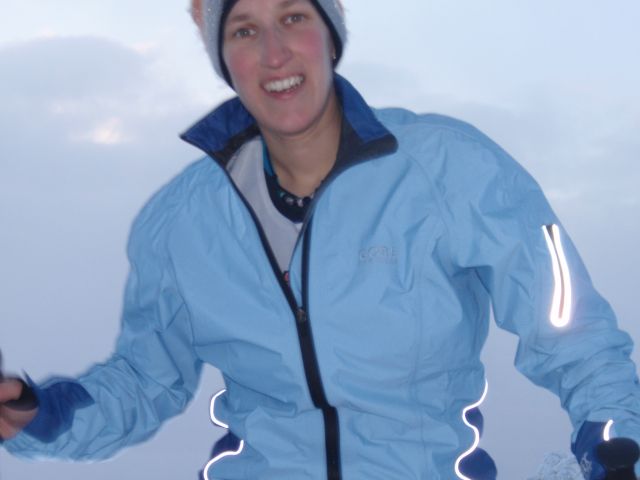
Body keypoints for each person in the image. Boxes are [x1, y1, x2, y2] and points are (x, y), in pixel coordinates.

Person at [1, 0, 639, 478]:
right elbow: (145, 380)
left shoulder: (450, 168)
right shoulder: (181, 223)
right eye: (244, 29)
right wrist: (37, 414)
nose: (274, 52)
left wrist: (616, 443)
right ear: (223, 59)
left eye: (293, 17)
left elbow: (573, 333)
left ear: (331, 34)